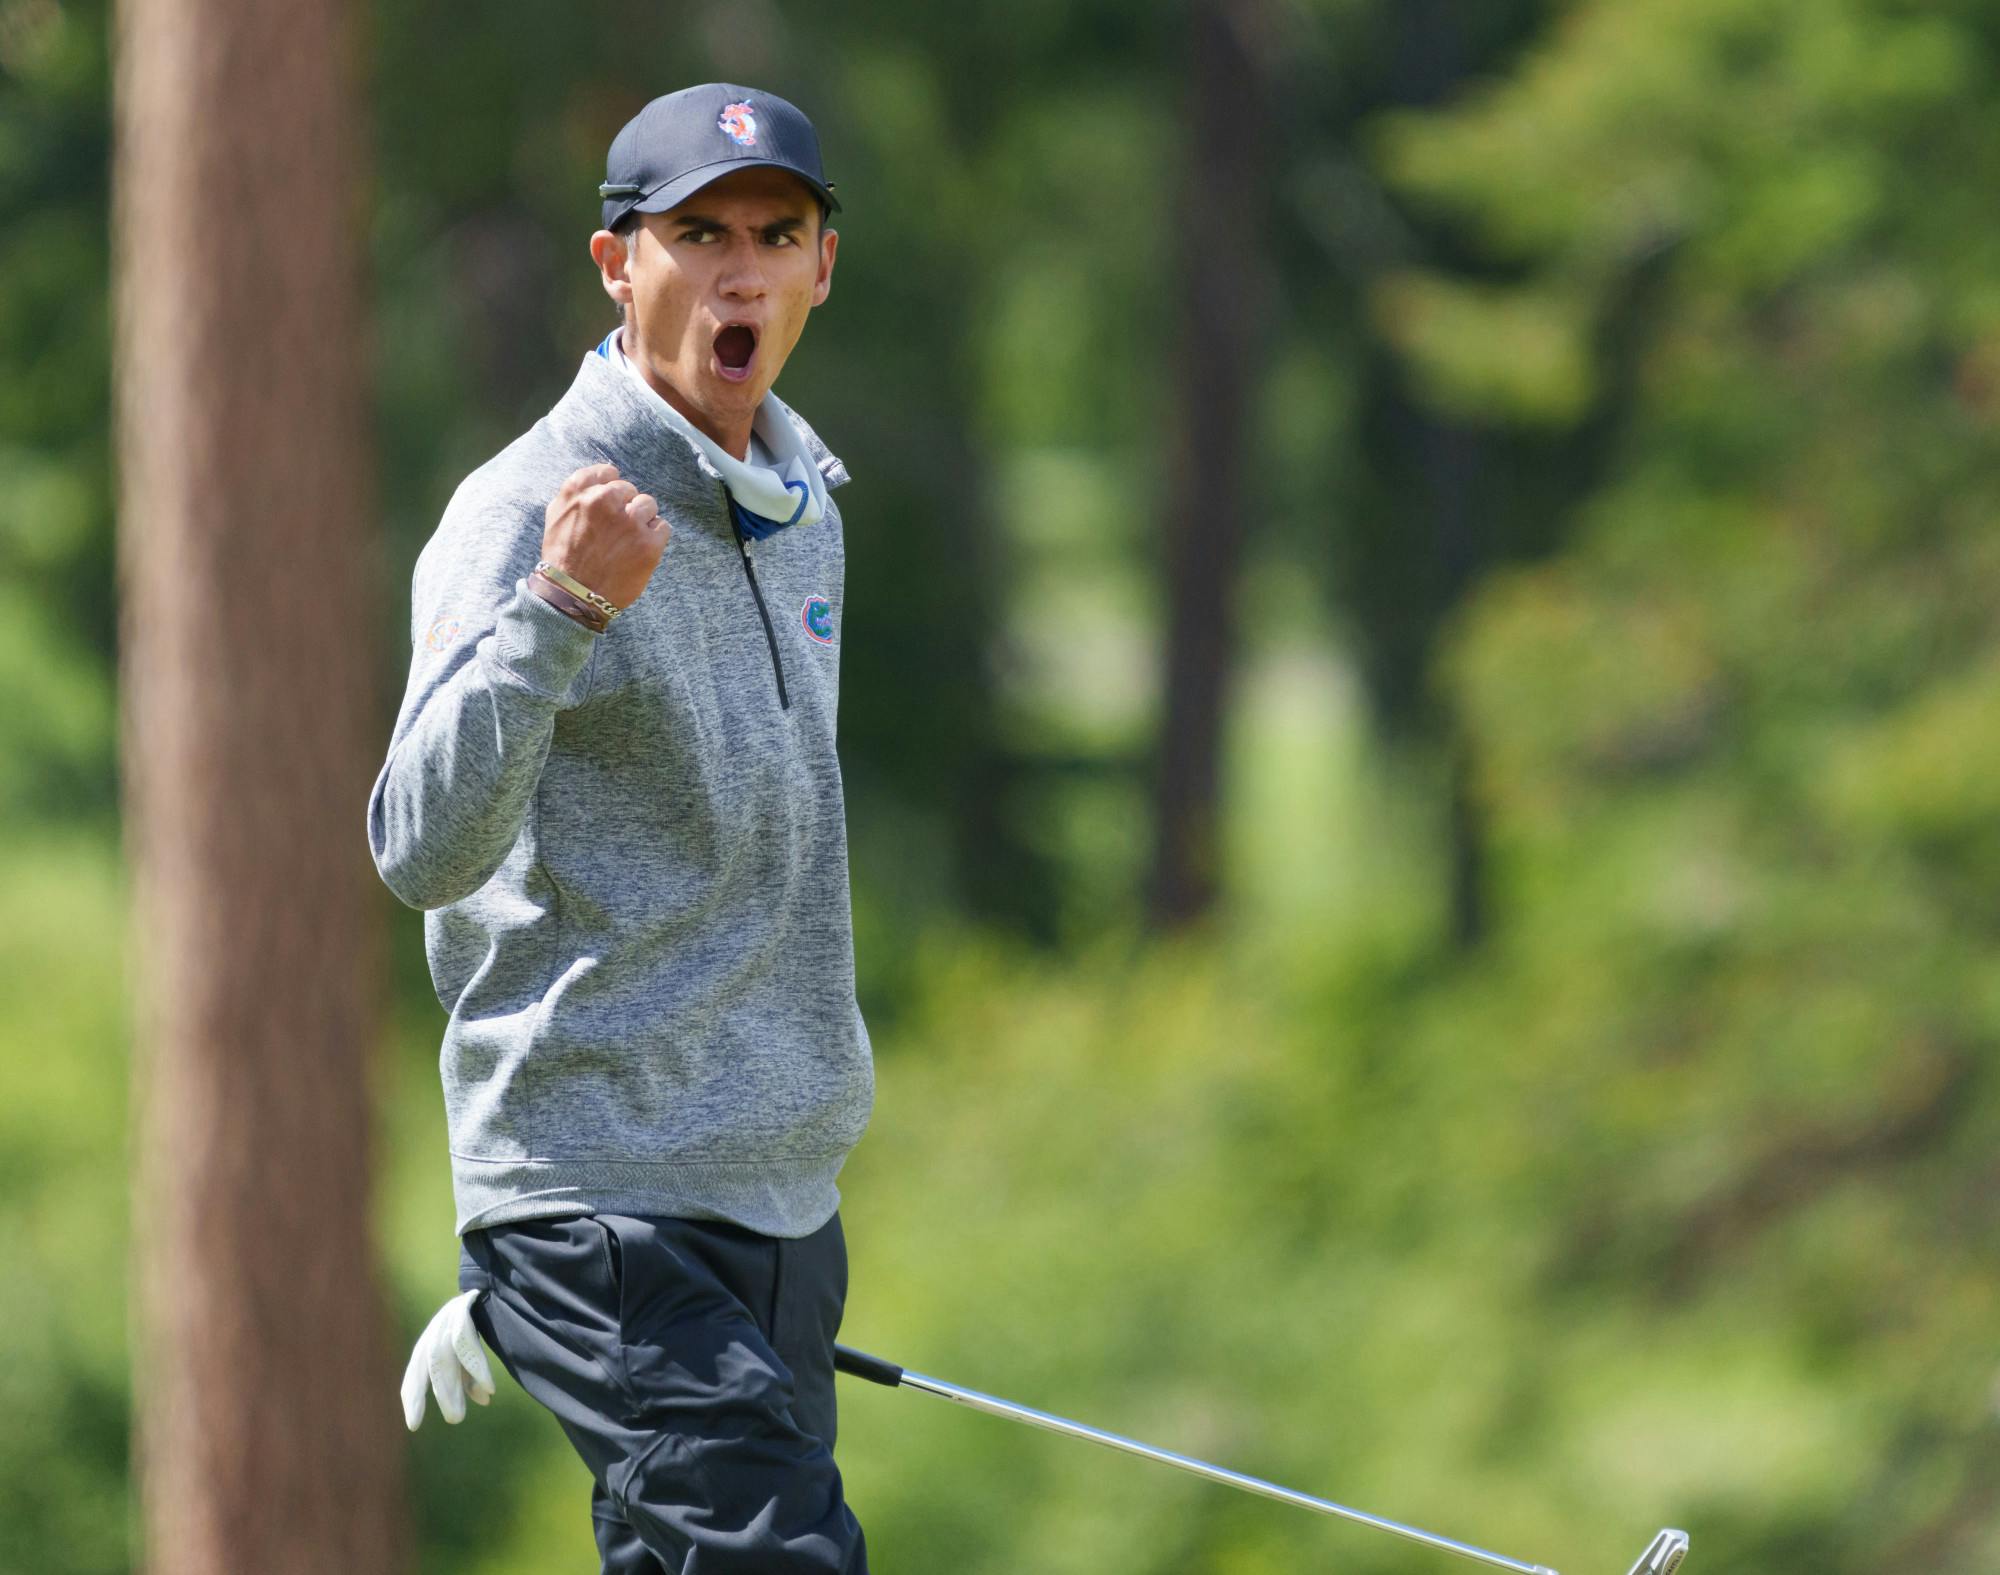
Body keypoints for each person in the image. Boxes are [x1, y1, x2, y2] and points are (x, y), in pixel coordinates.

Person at [366, 82, 872, 1574]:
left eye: (775, 235)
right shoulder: (525, 510)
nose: (739, 272)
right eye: (696, 234)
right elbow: (418, 844)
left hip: (775, 1202)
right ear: (618, 266)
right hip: (608, 1199)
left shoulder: (806, 510)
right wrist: (562, 609)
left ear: (820, 267)